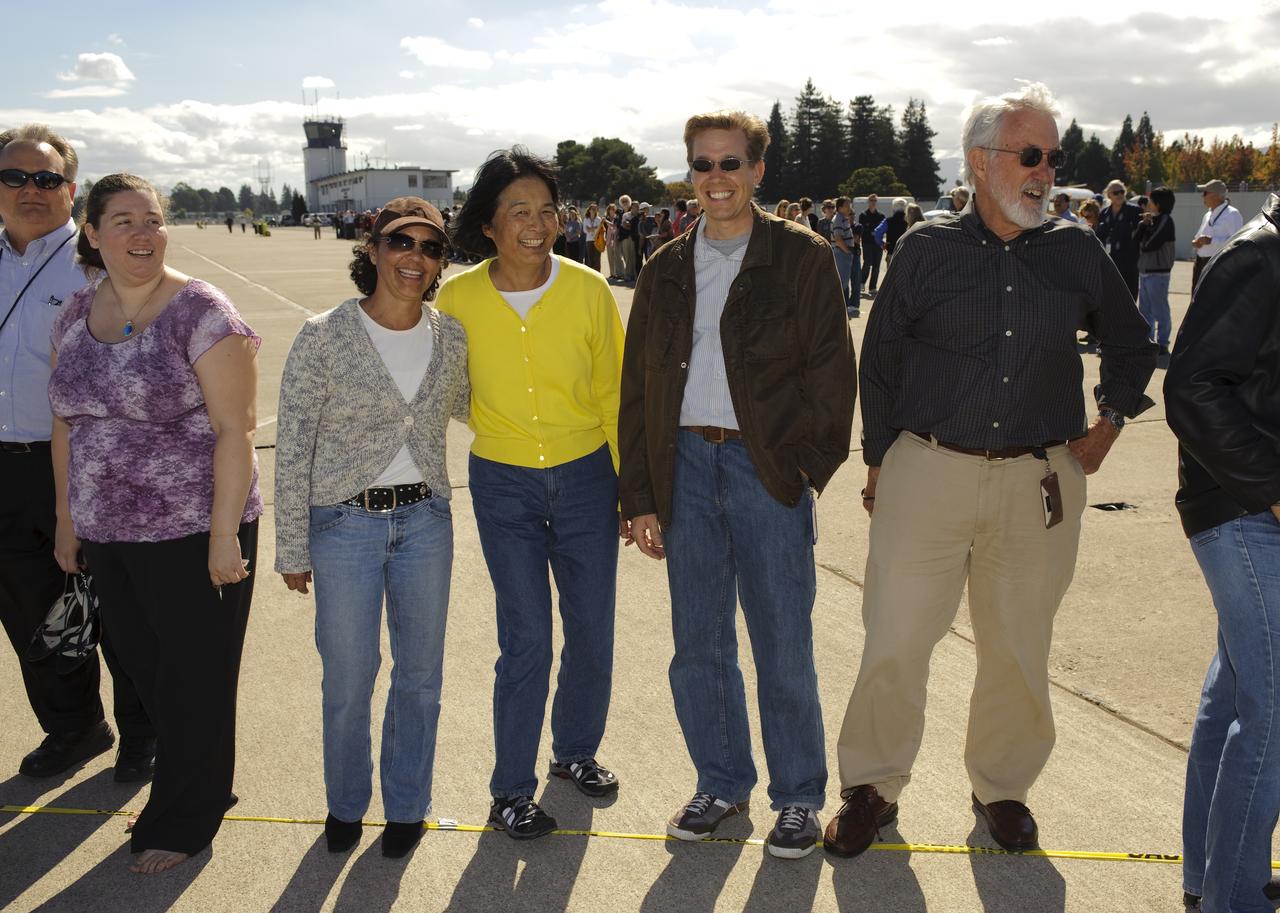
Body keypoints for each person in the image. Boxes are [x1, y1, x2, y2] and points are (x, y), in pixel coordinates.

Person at [823, 82, 1156, 860]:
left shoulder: (1076, 249)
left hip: (1038, 479)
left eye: (1053, 157)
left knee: (1018, 646)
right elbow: (883, 361)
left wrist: (1106, 426)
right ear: (981, 162)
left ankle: (1002, 789)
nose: (1046, 172)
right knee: (896, 639)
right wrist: (878, 461)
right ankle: (871, 786)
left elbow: (1135, 344)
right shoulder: (925, 249)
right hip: (926, 469)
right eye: (1030, 154)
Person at [619, 109, 856, 860]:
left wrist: (803, 469)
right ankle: (721, 782)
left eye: (730, 163)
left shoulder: (802, 257)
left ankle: (797, 796)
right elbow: (636, 389)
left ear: (757, 171)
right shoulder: (663, 268)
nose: (715, 178)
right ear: (688, 173)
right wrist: (642, 495)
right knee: (699, 645)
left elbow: (832, 372)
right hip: (683, 466)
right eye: (702, 164)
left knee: (783, 641)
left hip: (766, 470)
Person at [49, 173, 263, 874]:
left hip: (195, 530)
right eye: (124, 221)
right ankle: (183, 784)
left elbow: (237, 429)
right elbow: (65, 425)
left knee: (194, 678)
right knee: (144, 671)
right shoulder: (75, 314)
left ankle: (189, 816)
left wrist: (225, 534)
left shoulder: (202, 312)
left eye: (154, 220)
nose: (143, 234)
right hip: (110, 529)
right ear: (92, 231)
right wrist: (66, 517)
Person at [439, 147, 625, 839]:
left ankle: (575, 752)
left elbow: (614, 393)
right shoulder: (455, 300)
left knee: (591, 630)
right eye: (519, 210)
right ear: (488, 223)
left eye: (547, 209)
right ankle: (510, 790)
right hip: (503, 484)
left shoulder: (587, 289)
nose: (537, 223)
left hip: (586, 478)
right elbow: (446, 392)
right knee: (526, 641)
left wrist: (632, 491)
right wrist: (499, 424)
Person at [275, 197, 467, 860]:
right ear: (373, 249)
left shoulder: (451, 335)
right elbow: (293, 442)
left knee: (420, 674)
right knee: (350, 676)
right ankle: (346, 803)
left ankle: (408, 803)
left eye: (430, 247)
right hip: (344, 526)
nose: (415, 257)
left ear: (441, 261)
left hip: (426, 521)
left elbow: (477, 405)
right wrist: (292, 544)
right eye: (400, 242)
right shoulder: (323, 332)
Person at [0, 125, 154, 783]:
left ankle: (145, 735)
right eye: (15, 177)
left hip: (90, 464)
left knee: (117, 610)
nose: (30, 190)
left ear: (71, 189)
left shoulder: (101, 265)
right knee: (31, 610)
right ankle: (75, 727)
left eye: (47, 179)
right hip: (5, 467)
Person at [1167, 192, 1280, 913]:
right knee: (1273, 712)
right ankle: (1234, 898)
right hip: (1242, 508)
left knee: (1232, 698)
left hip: (1251, 503)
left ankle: (1209, 878)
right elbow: (1192, 385)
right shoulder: (1259, 257)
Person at [1135, 186, 1176, 355]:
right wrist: (1143, 225)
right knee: (1144, 311)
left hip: (1158, 272)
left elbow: (1149, 244)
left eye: (1151, 201)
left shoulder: (1165, 220)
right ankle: (1149, 341)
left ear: (1158, 203)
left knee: (1160, 310)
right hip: (1145, 271)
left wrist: (1146, 229)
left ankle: (1162, 342)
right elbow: (1135, 238)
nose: (1148, 204)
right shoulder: (1152, 220)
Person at [1191, 179, 1244, 293]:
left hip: (1218, 264)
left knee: (1213, 302)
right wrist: (1196, 242)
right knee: (1197, 300)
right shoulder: (1208, 214)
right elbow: (1198, 236)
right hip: (1200, 262)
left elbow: (1238, 243)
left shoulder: (1232, 214)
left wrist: (1212, 241)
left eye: (1205, 193)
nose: (1202, 196)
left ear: (1216, 196)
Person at [1095, 179, 1142, 299]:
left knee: (1129, 300)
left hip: (1129, 265)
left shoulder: (1135, 211)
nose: (1120, 195)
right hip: (1109, 265)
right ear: (1108, 195)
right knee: (1111, 300)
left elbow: (1141, 236)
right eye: (1116, 192)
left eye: (1122, 191)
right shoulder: (1104, 214)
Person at [830, 196, 859, 316]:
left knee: (844, 282)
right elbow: (837, 238)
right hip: (841, 253)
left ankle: (840, 308)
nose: (849, 208)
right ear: (840, 207)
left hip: (844, 252)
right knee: (842, 282)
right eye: (847, 205)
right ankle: (837, 309)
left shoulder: (843, 218)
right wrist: (847, 251)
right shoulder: (838, 219)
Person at [858, 194, 886, 296]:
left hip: (878, 244)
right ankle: (861, 283)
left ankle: (873, 287)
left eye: (875, 200)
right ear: (868, 202)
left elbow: (883, 230)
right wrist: (871, 231)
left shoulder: (881, 216)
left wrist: (874, 232)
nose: (873, 202)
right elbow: (863, 229)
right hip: (867, 243)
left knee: (876, 266)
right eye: (871, 200)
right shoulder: (863, 215)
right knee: (867, 263)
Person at [583, 202, 603, 272]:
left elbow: (599, 230)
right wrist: (593, 228)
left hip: (597, 240)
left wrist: (590, 229)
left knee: (597, 258)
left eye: (595, 209)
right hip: (589, 240)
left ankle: (598, 273)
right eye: (592, 209)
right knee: (589, 257)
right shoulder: (586, 219)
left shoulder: (598, 219)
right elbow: (585, 230)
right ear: (589, 210)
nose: (594, 210)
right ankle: (591, 273)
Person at [604, 202, 622, 280]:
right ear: (608, 210)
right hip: (608, 239)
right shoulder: (606, 218)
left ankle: (617, 273)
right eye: (611, 209)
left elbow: (613, 225)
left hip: (615, 239)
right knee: (610, 257)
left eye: (614, 209)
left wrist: (606, 221)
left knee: (616, 257)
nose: (612, 211)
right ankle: (612, 273)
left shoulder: (617, 218)